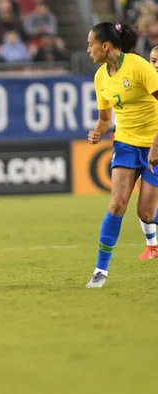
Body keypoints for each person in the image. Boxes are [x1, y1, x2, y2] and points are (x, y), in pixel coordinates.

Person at [86, 22, 158, 288]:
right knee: (117, 204)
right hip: (126, 145)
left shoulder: (139, 67)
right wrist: (96, 132)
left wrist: (156, 145)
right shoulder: (100, 77)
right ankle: (100, 271)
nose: (88, 50)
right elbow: (105, 119)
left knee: (147, 214)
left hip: (154, 144)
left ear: (105, 46)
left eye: (91, 44)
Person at [137, 45, 158, 259]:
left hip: (156, 148)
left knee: (146, 207)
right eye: (152, 61)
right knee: (144, 205)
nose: (156, 65)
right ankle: (152, 245)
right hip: (144, 146)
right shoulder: (145, 84)